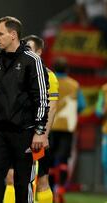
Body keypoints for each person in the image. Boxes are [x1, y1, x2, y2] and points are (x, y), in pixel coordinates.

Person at [0, 16, 50, 203]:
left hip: (24, 134)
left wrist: (39, 131)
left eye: (0, 33)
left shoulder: (32, 61)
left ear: (13, 35)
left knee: (23, 184)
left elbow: (42, 97)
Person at [3, 35, 59, 203]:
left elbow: (52, 107)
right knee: (11, 178)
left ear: (40, 52)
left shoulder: (48, 76)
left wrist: (43, 135)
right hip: (15, 135)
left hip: (37, 135)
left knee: (41, 181)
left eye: (29, 49)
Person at [49, 57, 86, 203]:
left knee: (50, 161)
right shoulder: (74, 85)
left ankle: (50, 190)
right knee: (63, 160)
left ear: (53, 68)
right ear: (67, 69)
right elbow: (81, 105)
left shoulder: (49, 82)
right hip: (67, 127)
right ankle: (61, 190)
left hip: (50, 127)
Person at [95, 82, 107, 192]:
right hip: (106, 132)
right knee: (105, 161)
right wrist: (102, 110)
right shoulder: (104, 89)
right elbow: (98, 111)